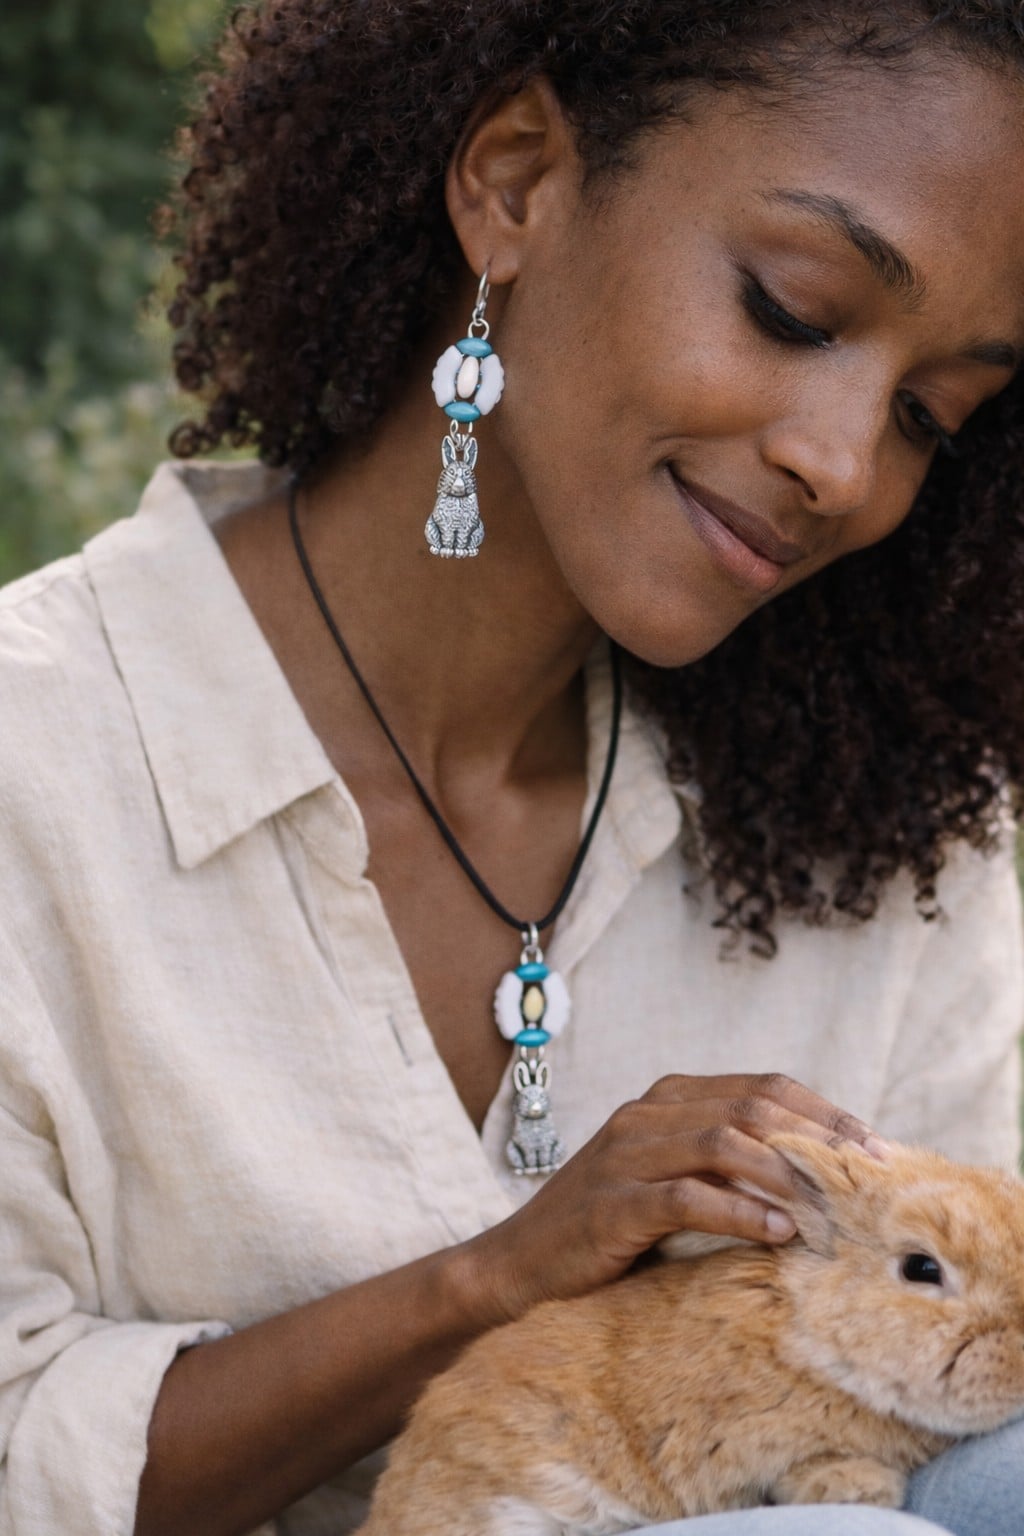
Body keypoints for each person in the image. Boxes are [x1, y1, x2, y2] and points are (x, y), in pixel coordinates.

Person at [1, 2, 1024, 1533]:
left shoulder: (886, 849)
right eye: (796, 311)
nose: (846, 463)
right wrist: (491, 1282)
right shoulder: (42, 765)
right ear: (519, 178)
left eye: (929, 417)